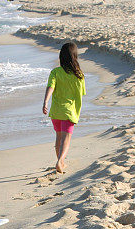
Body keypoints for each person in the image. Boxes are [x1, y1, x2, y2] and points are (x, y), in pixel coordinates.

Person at [42, 42, 86, 173]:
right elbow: (82, 93)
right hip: (69, 111)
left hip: (56, 111)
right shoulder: (79, 75)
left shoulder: (55, 72)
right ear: (75, 57)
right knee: (66, 139)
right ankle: (60, 161)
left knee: (58, 137)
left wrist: (45, 102)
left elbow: (51, 87)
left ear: (61, 57)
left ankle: (61, 162)